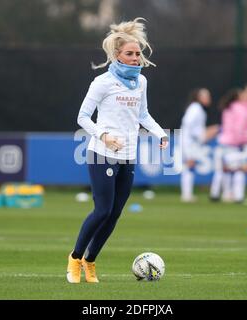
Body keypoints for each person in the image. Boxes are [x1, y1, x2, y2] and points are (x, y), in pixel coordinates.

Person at [68, 18, 169, 284]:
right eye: (130, 53)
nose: (136, 58)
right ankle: (75, 258)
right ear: (116, 55)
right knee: (102, 210)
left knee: (114, 215)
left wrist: (160, 133)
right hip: (102, 153)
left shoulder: (142, 82)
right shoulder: (102, 82)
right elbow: (82, 117)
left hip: (128, 156)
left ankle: (90, 262)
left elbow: (143, 115)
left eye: (138, 54)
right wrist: (104, 136)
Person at [180, 88, 219, 202]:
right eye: (206, 96)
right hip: (189, 140)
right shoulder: (195, 108)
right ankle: (186, 195)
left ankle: (187, 194)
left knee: (190, 165)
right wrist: (200, 135)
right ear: (199, 97)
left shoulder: (198, 109)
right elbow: (188, 123)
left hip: (192, 140)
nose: (208, 99)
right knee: (190, 164)